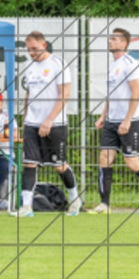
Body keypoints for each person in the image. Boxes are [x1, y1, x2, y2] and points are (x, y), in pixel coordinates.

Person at [88, 28, 139, 214]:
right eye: (110, 39)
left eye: (114, 39)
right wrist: (102, 116)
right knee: (104, 159)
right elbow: (111, 95)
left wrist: (127, 120)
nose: (110, 42)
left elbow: (136, 92)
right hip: (111, 121)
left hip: (129, 121)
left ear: (124, 43)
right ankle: (104, 205)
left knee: (131, 162)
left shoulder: (130, 63)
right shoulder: (113, 65)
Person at [16, 31, 82, 217]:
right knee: (29, 164)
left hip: (55, 124)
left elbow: (64, 95)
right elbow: (29, 94)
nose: (31, 53)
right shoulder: (29, 66)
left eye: (35, 49)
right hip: (32, 123)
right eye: (29, 50)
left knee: (59, 165)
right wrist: (25, 120)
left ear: (44, 45)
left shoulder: (57, 64)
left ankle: (75, 200)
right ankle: (26, 206)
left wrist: (49, 120)